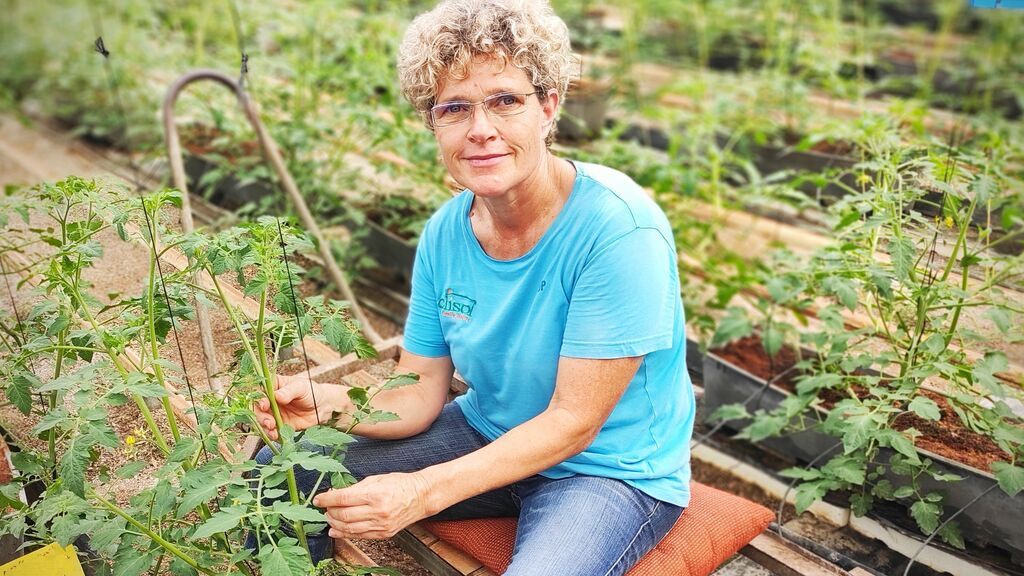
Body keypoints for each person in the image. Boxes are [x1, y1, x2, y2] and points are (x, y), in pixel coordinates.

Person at [253, 0, 695, 573]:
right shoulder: (446, 232)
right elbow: (416, 393)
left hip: (604, 470)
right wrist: (329, 405)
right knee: (283, 466)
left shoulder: (617, 230)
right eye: (454, 108)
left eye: (505, 101)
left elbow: (572, 424)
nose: (481, 130)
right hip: (487, 432)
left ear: (548, 108)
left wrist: (422, 490)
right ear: (433, 125)